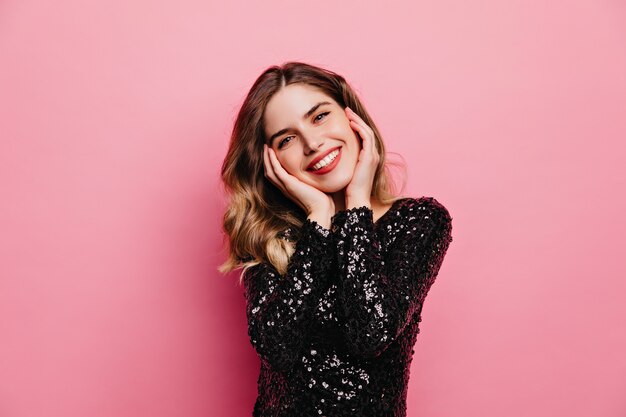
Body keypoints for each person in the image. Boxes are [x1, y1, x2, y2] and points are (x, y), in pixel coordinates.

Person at [218, 61, 453, 417]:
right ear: (271, 162)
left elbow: (371, 331)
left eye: (319, 117)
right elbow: (277, 348)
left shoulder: (419, 221)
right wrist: (318, 220)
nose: (312, 143)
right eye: (287, 139)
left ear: (351, 116)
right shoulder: (267, 238)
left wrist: (356, 202)